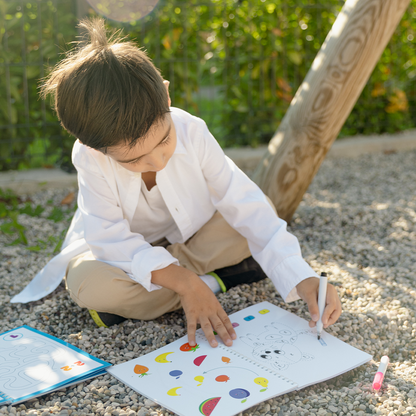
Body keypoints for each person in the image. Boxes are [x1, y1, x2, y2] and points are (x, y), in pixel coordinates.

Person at [11, 18, 342, 349]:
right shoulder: (90, 157)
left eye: (163, 141)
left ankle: (176, 292)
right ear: (94, 147)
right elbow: (108, 239)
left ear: (166, 96)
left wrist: (302, 276)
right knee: (87, 285)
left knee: (257, 213)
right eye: (133, 160)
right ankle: (218, 281)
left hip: (196, 237)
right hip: (130, 253)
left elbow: (241, 202)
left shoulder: (192, 130)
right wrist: (185, 282)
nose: (156, 162)